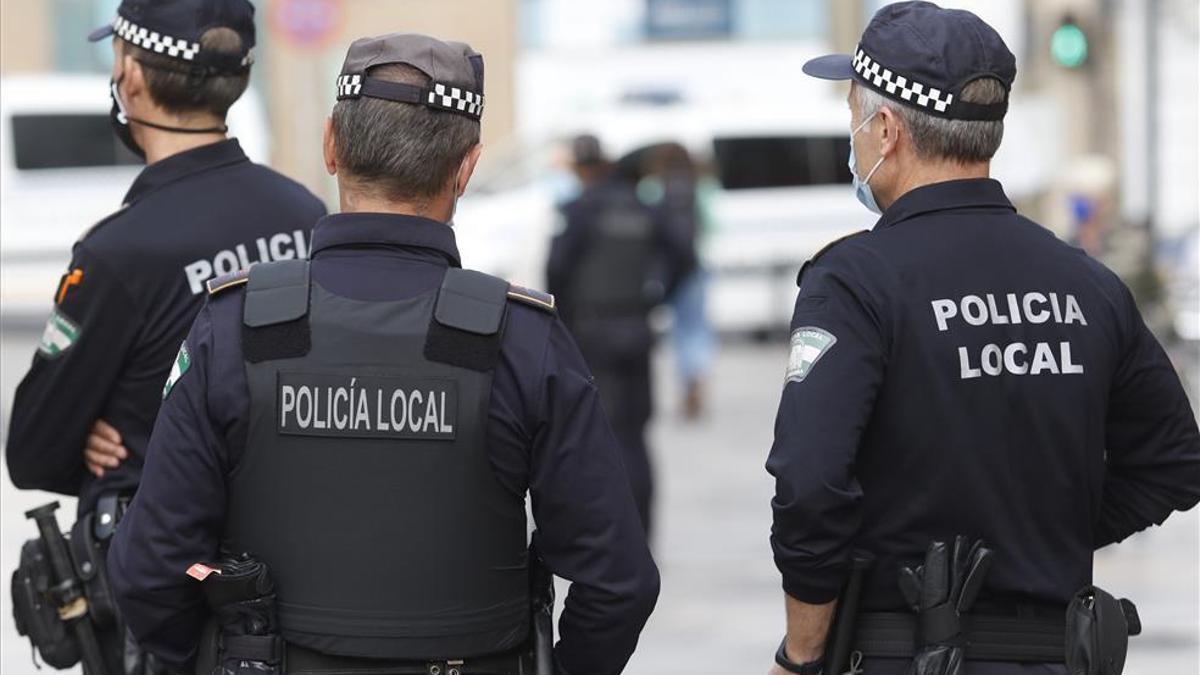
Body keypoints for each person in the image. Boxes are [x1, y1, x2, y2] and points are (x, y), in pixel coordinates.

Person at [107, 33, 659, 675]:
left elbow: (150, 567)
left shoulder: (233, 328)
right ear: (467, 166)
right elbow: (618, 583)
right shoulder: (523, 340)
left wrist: (212, 658)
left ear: (331, 145)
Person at [766, 3, 1200, 674]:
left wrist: (800, 654)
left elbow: (809, 484)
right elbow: (1172, 459)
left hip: (901, 651)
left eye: (851, 115)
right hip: (1054, 653)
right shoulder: (1087, 283)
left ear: (885, 130)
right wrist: (1048, 535)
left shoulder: (856, 282)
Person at [6, 0, 324, 670]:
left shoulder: (119, 252)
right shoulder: (307, 215)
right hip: (299, 580)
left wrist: (101, 435)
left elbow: (32, 451)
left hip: (175, 598)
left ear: (132, 79)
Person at [547, 134, 682, 534]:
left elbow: (557, 269)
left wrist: (565, 324)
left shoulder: (581, 209)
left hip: (596, 336)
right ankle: (642, 531)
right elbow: (684, 254)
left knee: (605, 438)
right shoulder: (643, 207)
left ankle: (614, 533)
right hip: (636, 331)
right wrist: (655, 300)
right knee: (635, 437)